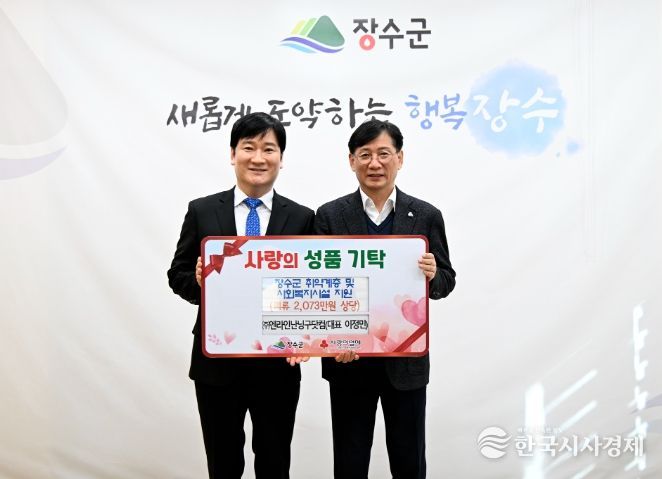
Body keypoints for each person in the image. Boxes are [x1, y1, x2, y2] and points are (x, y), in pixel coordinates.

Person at [167, 112, 314, 479]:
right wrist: (199, 282)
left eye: (269, 149)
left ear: (281, 158)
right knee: (223, 463)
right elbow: (177, 274)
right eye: (249, 147)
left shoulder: (302, 217)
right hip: (217, 360)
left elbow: (311, 285)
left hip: (278, 362)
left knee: (274, 462)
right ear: (233, 154)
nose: (258, 158)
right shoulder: (202, 210)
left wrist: (308, 336)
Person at [314, 119, 456, 479]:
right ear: (351, 161)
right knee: (350, 462)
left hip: (405, 364)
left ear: (400, 158)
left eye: (383, 154)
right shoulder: (329, 215)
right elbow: (318, 289)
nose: (374, 163)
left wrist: (432, 274)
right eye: (365, 155)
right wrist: (333, 340)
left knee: (409, 463)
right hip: (348, 360)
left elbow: (446, 282)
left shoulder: (426, 215)